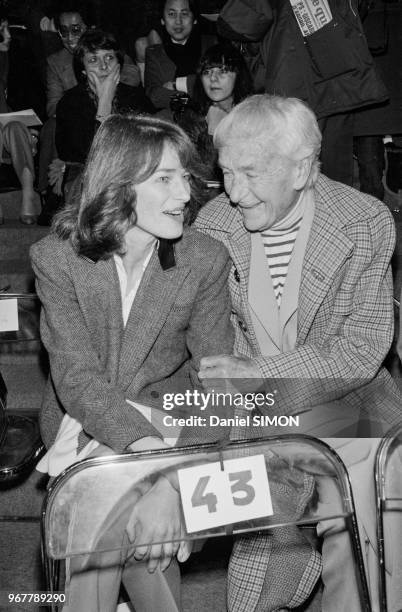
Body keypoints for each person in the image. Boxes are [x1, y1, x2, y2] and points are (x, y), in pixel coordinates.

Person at [194, 94, 402, 612]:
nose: (235, 194)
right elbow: (209, 348)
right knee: (256, 565)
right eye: (225, 173)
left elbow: (361, 349)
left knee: (367, 522)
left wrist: (259, 370)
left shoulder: (364, 221)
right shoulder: (212, 224)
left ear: (304, 167)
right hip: (255, 412)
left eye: (250, 173)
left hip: (348, 400)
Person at [31, 113, 234, 612]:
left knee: (110, 512)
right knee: (115, 506)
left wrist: (172, 480)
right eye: (164, 179)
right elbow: (78, 380)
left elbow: (220, 383)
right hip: (87, 422)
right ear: (118, 185)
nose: (185, 194)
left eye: (185, 176)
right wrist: (153, 471)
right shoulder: (57, 259)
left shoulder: (204, 258)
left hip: (175, 426)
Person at [217, 0, 388, 187]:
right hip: (340, 75)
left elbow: (244, 21)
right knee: (334, 173)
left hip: (292, 78)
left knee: (291, 168)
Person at [38, 0, 140, 198]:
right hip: (88, 175)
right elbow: (92, 158)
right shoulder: (67, 94)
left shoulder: (130, 89)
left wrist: (109, 88)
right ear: (83, 69)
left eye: (109, 59)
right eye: (93, 60)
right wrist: (103, 99)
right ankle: (44, 189)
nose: (103, 66)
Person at [0, 13, 38, 224]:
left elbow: (33, 101)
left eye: (8, 28)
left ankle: (27, 192)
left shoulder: (20, 59)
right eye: (1, 30)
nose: (8, 35)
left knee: (15, 127)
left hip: (14, 134)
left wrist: (33, 131)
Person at [144, 0, 203, 113]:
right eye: (171, 14)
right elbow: (154, 95)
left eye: (184, 14)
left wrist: (176, 84)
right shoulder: (154, 53)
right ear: (162, 20)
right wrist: (191, 101)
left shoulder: (211, 45)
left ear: (194, 19)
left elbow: (217, 82)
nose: (178, 21)